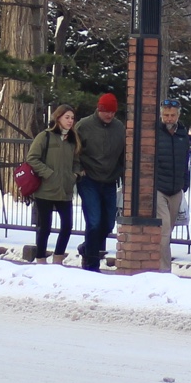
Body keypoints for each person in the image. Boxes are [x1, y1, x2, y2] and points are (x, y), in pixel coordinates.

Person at [74, 93, 125, 271]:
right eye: (105, 111)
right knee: (94, 221)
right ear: (99, 109)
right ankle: (91, 263)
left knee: (108, 223)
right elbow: (74, 150)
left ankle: (87, 248)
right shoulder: (84, 126)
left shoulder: (120, 128)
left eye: (112, 112)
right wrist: (79, 170)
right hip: (89, 179)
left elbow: (124, 155)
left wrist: (122, 172)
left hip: (110, 180)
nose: (109, 115)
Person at [25, 105, 79, 263]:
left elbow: (76, 161)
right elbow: (32, 158)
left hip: (65, 190)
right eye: (66, 117)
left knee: (67, 225)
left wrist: (74, 175)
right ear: (58, 118)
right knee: (45, 227)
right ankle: (40, 258)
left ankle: (58, 258)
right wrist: (48, 173)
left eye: (72, 118)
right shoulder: (45, 136)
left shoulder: (72, 139)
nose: (70, 121)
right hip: (45, 190)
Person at [154, 98, 191, 246]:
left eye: (172, 115)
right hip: (159, 187)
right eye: (166, 115)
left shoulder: (182, 134)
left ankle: (158, 265)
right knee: (164, 229)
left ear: (177, 116)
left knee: (168, 231)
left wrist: (184, 184)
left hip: (176, 189)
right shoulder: (154, 133)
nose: (169, 118)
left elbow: (185, 160)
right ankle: (164, 269)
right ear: (161, 115)